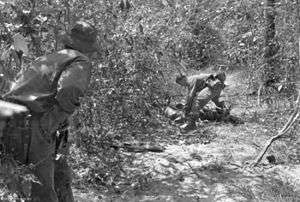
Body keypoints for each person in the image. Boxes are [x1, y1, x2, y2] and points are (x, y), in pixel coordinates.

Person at [2, 21, 98, 202]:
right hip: (35, 125)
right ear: (89, 46)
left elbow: (17, 87)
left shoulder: (48, 58)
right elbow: (70, 90)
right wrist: (52, 121)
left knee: (57, 177)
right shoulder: (80, 60)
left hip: (14, 122)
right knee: (41, 190)